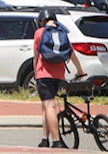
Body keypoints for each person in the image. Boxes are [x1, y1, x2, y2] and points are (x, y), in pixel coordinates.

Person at [34, 9, 85, 148]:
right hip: (58, 76)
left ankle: (57, 141)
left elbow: (36, 55)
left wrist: (35, 72)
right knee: (46, 106)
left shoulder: (39, 33)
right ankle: (45, 139)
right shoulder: (63, 32)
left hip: (43, 75)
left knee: (49, 106)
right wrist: (80, 70)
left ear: (42, 21)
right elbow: (71, 52)